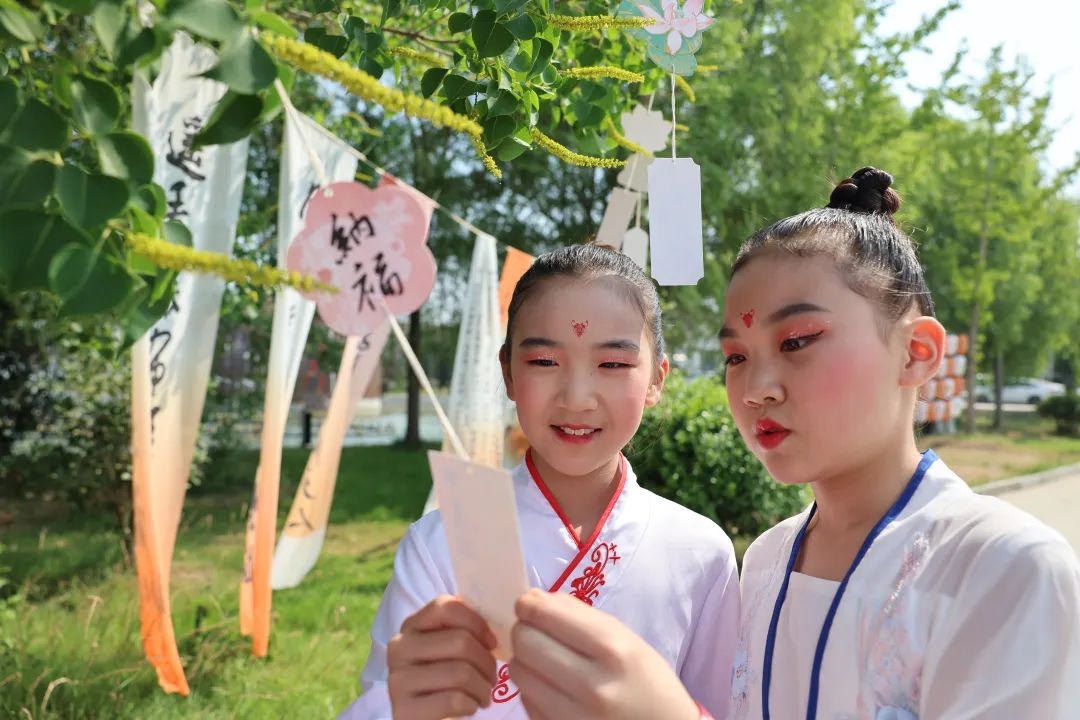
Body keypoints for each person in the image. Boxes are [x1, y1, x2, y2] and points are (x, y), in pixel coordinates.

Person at [504, 168, 1080, 720]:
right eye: (736, 356)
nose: (756, 387)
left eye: (798, 341)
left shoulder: (1002, 569)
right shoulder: (766, 561)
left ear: (916, 352)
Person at [338, 244, 740, 720]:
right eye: (545, 362)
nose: (577, 397)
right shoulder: (439, 545)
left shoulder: (701, 552)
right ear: (508, 372)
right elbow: (389, 697)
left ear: (656, 378)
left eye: (613, 364)